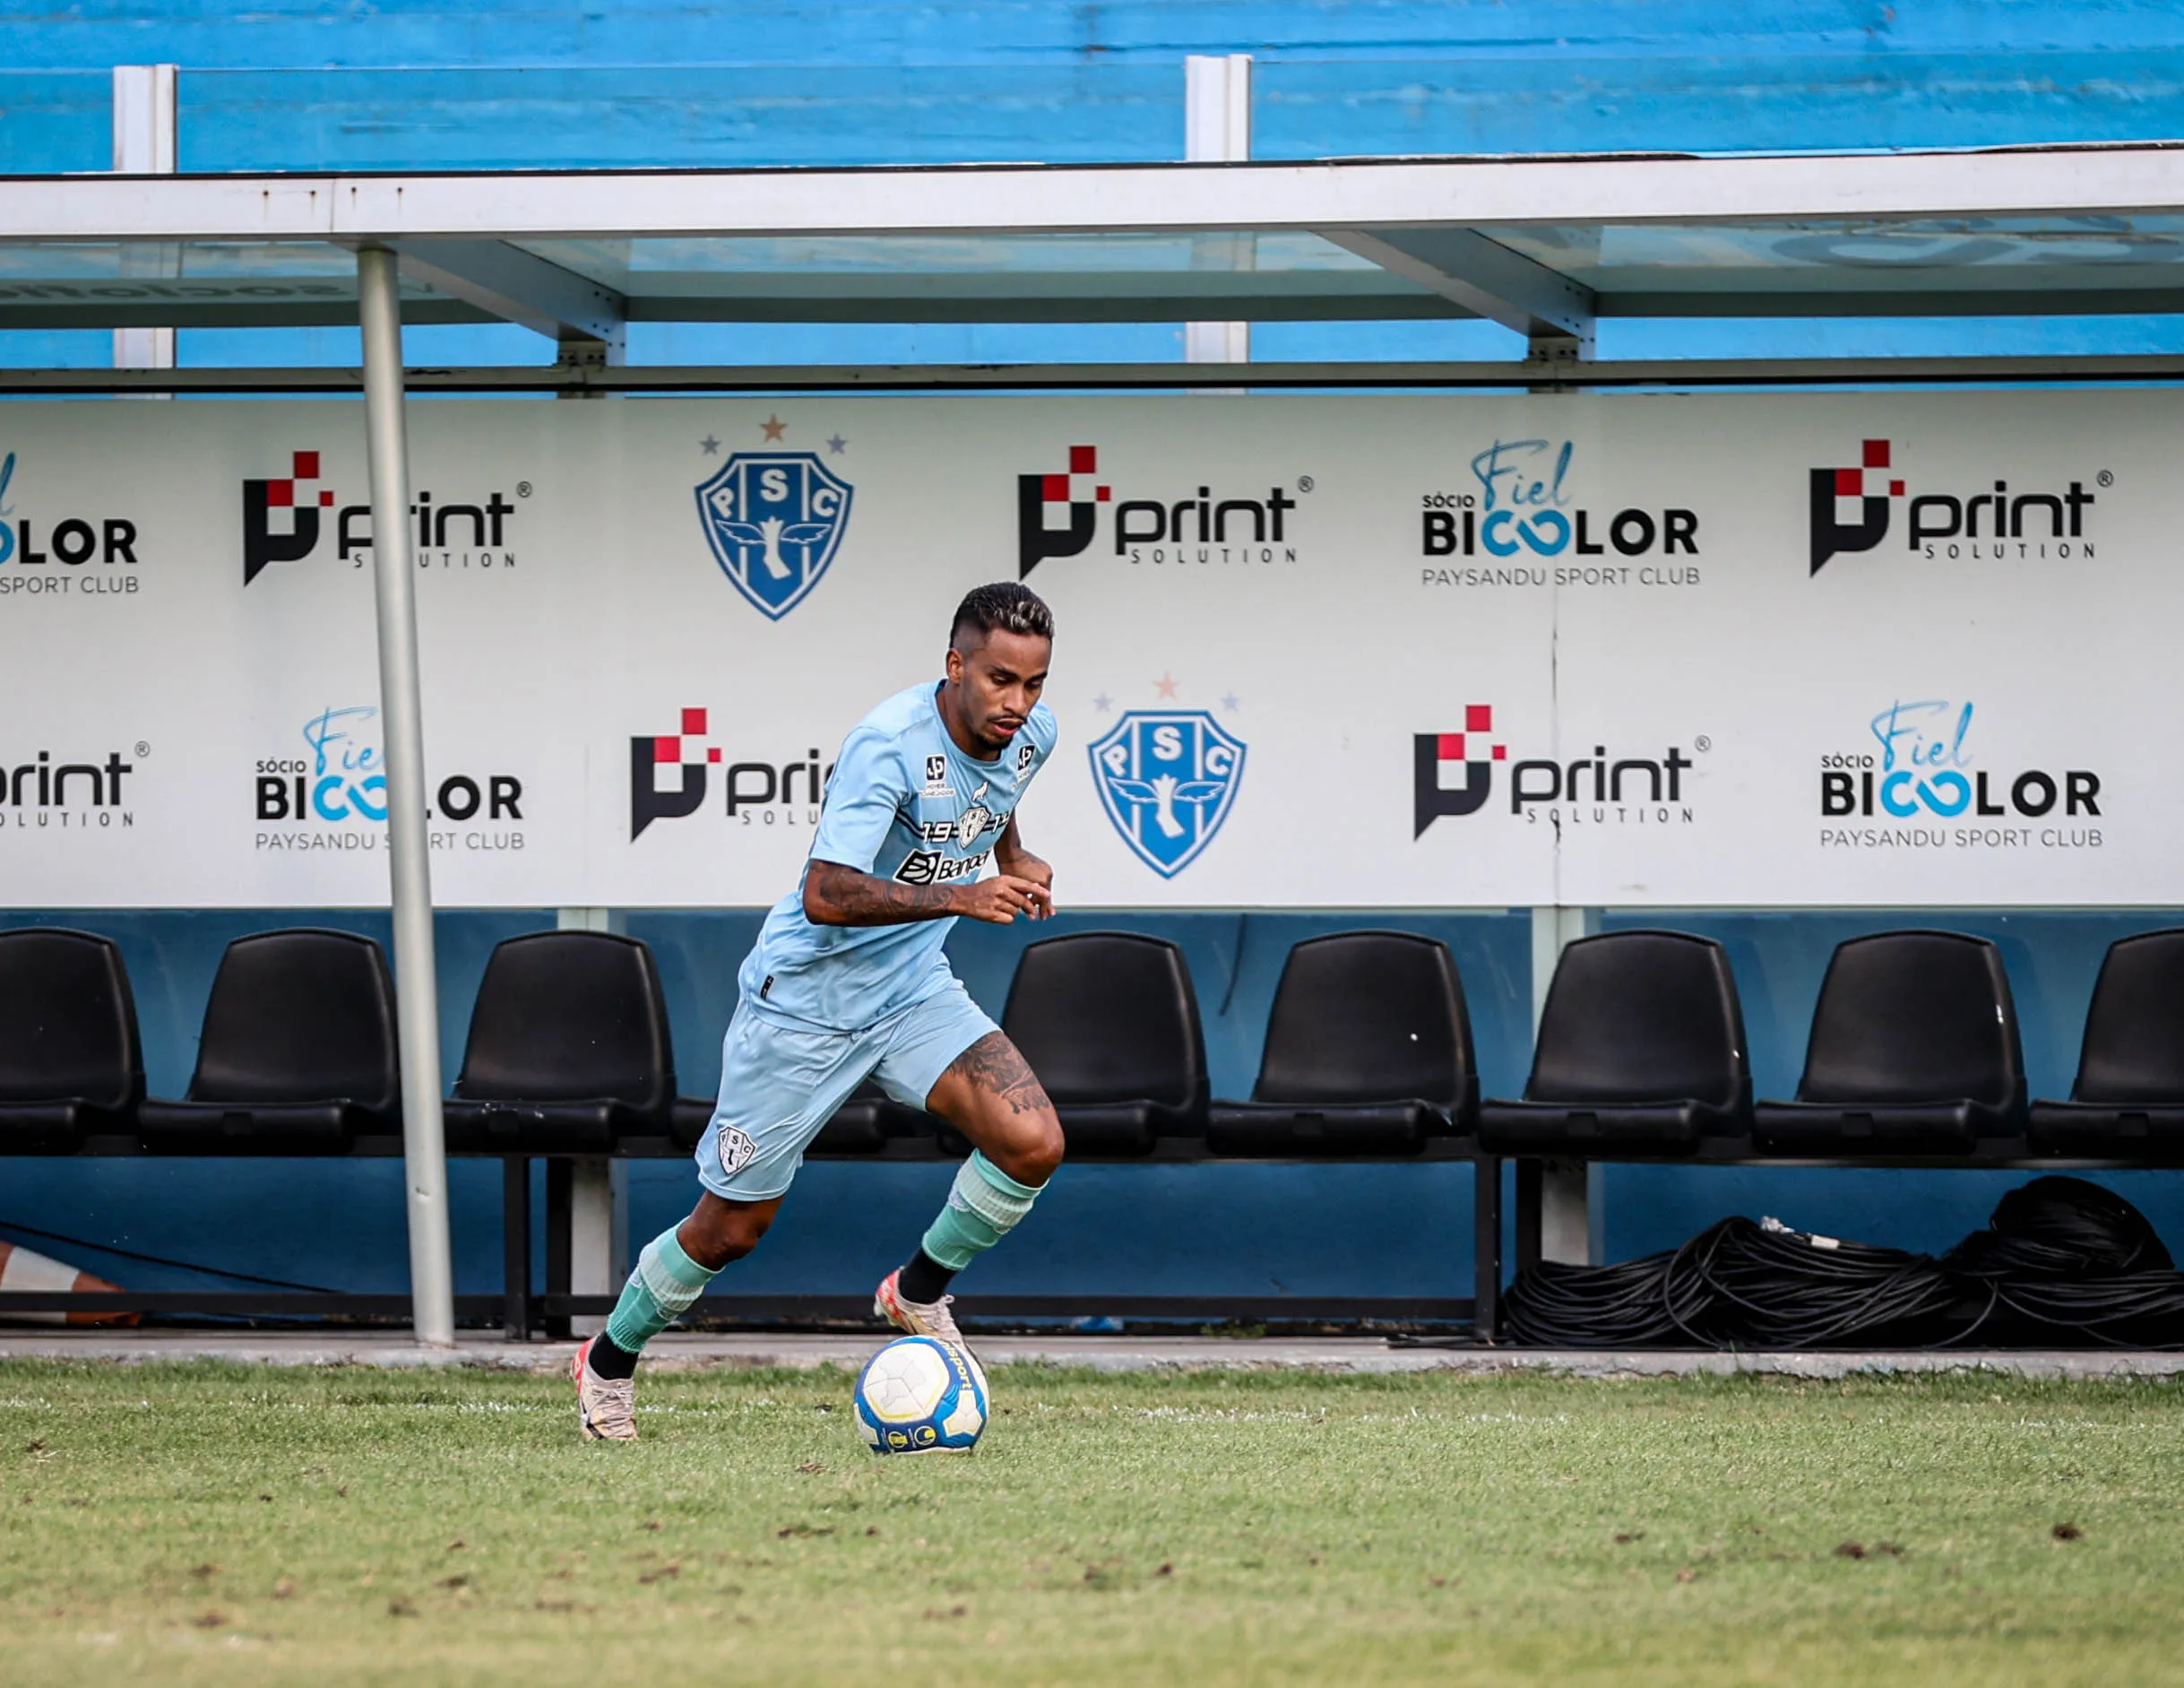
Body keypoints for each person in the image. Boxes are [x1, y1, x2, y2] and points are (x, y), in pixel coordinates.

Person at [573, 581, 1066, 1441]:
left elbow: (997, 795)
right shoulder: (889, 745)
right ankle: (607, 1361)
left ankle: (914, 1291)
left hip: (911, 992)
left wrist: (1017, 858)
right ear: (954, 667)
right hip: (803, 1009)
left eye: (1033, 684)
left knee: (1032, 1141)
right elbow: (826, 893)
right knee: (731, 1229)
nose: (1017, 704)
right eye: (998, 681)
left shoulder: (1029, 734)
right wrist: (963, 893)